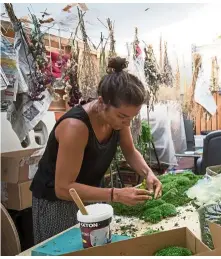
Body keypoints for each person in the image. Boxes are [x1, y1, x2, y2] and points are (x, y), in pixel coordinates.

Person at [30, 57, 162, 244]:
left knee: (95, 249)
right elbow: (63, 188)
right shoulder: (75, 127)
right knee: (65, 251)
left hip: (90, 195)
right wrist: (116, 194)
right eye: (123, 117)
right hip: (56, 204)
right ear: (101, 103)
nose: (126, 123)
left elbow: (130, 151)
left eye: (131, 118)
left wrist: (148, 173)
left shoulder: (117, 119)